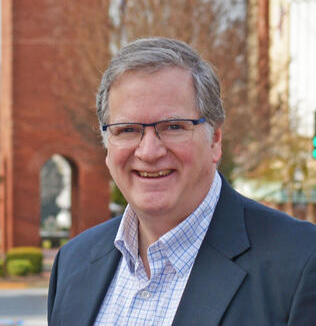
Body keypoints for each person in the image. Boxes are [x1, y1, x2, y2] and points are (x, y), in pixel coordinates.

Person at [48, 37, 316, 326]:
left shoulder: (300, 263)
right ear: (107, 145)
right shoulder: (72, 264)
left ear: (215, 139)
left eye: (173, 127)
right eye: (127, 129)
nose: (149, 152)